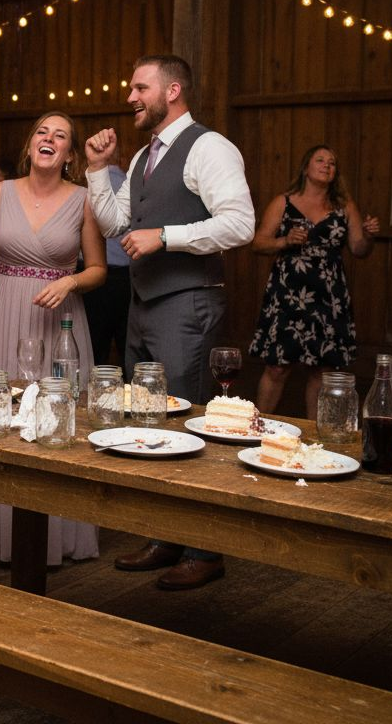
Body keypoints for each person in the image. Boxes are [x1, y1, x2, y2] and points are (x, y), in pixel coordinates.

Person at [84, 54, 256, 590]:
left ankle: (206, 551)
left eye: (140, 87)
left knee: (192, 420)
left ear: (173, 89)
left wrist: (167, 236)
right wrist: (94, 172)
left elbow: (241, 223)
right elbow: (118, 225)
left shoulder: (209, 147)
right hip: (144, 306)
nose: (130, 96)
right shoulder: (140, 160)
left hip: (188, 304)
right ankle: (164, 536)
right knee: (152, 419)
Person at [0, 112, 106, 565]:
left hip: (59, 319)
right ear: (31, 144)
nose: (48, 139)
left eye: (60, 136)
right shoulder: (1, 191)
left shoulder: (83, 200)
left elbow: (98, 268)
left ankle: (55, 535)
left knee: (54, 420)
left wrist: (70, 283)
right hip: (3, 313)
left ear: (69, 154)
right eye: (41, 132)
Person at [248, 145, 378, 416]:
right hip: (287, 293)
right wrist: (285, 240)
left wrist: (369, 235)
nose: (326, 165)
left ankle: (315, 437)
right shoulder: (283, 202)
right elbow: (258, 242)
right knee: (277, 365)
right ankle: (256, 429)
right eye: (320, 160)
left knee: (322, 368)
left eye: (332, 162)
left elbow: (359, 249)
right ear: (306, 167)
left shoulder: (344, 207)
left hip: (328, 295)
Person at [80, 165, 130, 365]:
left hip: (91, 277)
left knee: (93, 347)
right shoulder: (129, 182)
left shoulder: (89, 185)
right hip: (126, 277)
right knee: (127, 346)